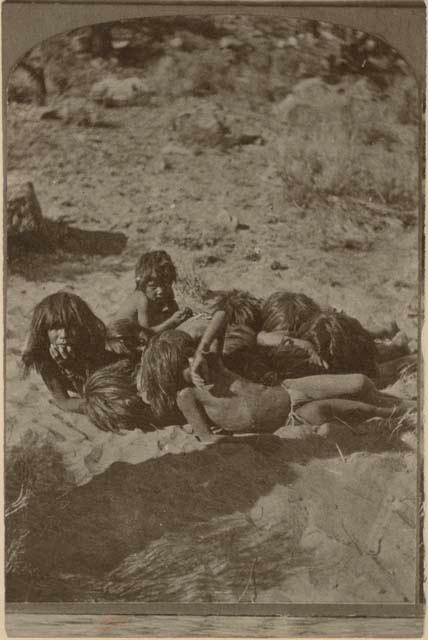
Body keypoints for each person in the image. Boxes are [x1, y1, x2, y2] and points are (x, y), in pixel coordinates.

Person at [139, 310, 408, 442]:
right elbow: (209, 441)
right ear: (175, 376)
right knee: (363, 409)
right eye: (185, 364)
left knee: (359, 382)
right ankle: (406, 411)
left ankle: (400, 403)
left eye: (190, 353)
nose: (193, 362)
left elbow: (221, 315)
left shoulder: (214, 363)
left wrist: (200, 351)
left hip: (289, 390)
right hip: (292, 417)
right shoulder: (188, 395)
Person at [21, 291, 118, 414]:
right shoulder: (44, 357)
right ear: (44, 330)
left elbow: (100, 394)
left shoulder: (89, 346)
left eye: (71, 327)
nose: (64, 335)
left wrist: (71, 368)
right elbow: (64, 401)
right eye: (55, 327)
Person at [114, 250, 193, 333]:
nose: (161, 291)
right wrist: (172, 322)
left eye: (165, 285)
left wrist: (182, 315)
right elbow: (145, 335)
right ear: (142, 285)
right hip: (118, 340)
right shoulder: (141, 299)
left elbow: (174, 313)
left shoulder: (166, 292)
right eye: (153, 287)